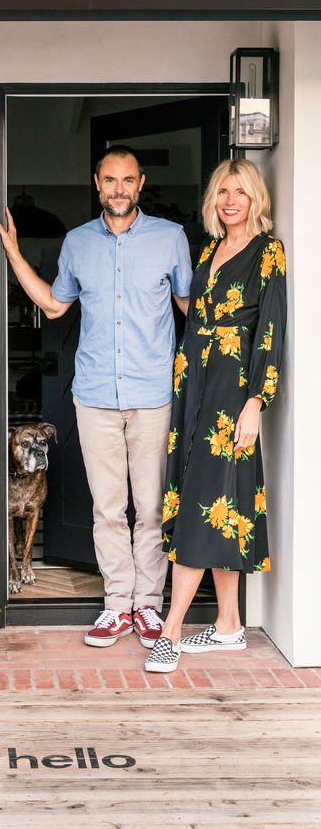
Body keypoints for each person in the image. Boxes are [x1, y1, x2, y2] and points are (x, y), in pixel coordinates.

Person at [0, 147, 193, 648]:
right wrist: (15, 255)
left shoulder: (170, 238)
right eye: (110, 180)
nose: (119, 188)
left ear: (141, 183)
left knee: (149, 508)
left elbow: (194, 307)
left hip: (152, 395)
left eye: (128, 179)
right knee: (108, 509)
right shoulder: (77, 243)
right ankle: (116, 604)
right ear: (97, 183)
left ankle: (148, 607)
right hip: (96, 395)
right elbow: (55, 306)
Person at [145, 159, 286, 674]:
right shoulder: (209, 250)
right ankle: (229, 625)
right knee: (217, 501)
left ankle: (170, 630)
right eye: (223, 192)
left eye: (240, 192)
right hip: (195, 388)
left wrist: (256, 401)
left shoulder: (267, 252)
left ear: (255, 199)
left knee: (200, 503)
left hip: (232, 394)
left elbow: (270, 328)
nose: (230, 201)